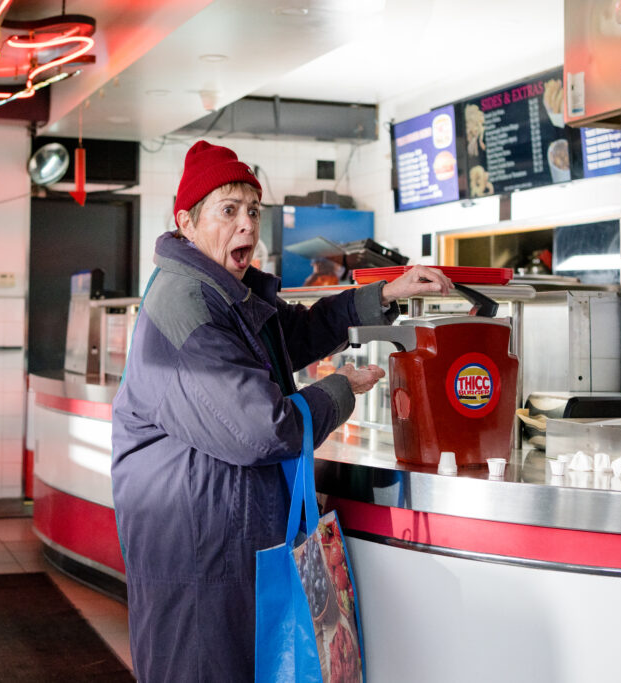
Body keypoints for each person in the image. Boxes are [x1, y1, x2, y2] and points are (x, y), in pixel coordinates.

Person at [110, 140, 452, 682]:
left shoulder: (225, 294)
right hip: (197, 552)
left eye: (253, 211)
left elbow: (295, 333)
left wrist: (383, 295)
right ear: (186, 221)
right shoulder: (187, 305)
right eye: (228, 211)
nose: (247, 225)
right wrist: (340, 390)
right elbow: (260, 429)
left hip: (223, 541)